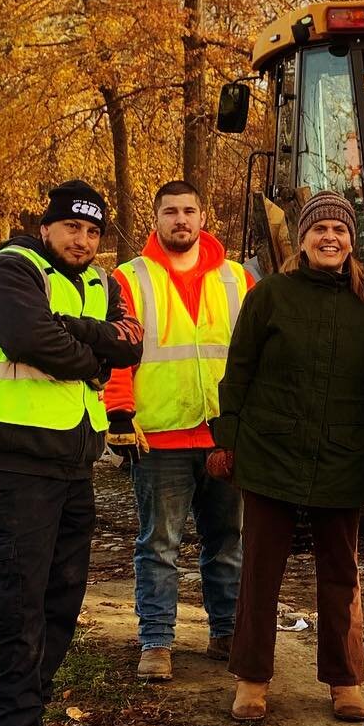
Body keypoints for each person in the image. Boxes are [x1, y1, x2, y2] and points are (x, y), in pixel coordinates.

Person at [0, 179, 144, 726]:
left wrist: (80, 332)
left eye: (95, 232)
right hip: (13, 465)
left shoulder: (100, 282)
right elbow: (29, 339)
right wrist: (92, 356)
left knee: (61, 599)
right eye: (73, 228)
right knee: (17, 605)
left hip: (73, 464)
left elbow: (133, 341)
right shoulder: (7, 270)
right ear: (48, 227)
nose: (84, 240)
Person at [210, 191, 364, 724]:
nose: (330, 238)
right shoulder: (270, 295)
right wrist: (227, 440)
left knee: (342, 573)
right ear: (304, 239)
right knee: (260, 571)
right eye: (320, 230)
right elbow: (239, 370)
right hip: (270, 452)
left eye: (339, 230)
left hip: (343, 455)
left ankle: (345, 680)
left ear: (351, 242)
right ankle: (251, 679)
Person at [103, 181, 253, 683]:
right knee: (158, 545)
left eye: (190, 210)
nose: (181, 220)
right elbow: (116, 355)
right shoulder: (129, 278)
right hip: (159, 438)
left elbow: (255, 358)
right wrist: (120, 415)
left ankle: (227, 632)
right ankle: (157, 642)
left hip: (223, 438)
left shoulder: (237, 280)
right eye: (171, 212)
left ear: (203, 215)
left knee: (227, 541)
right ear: (156, 219)